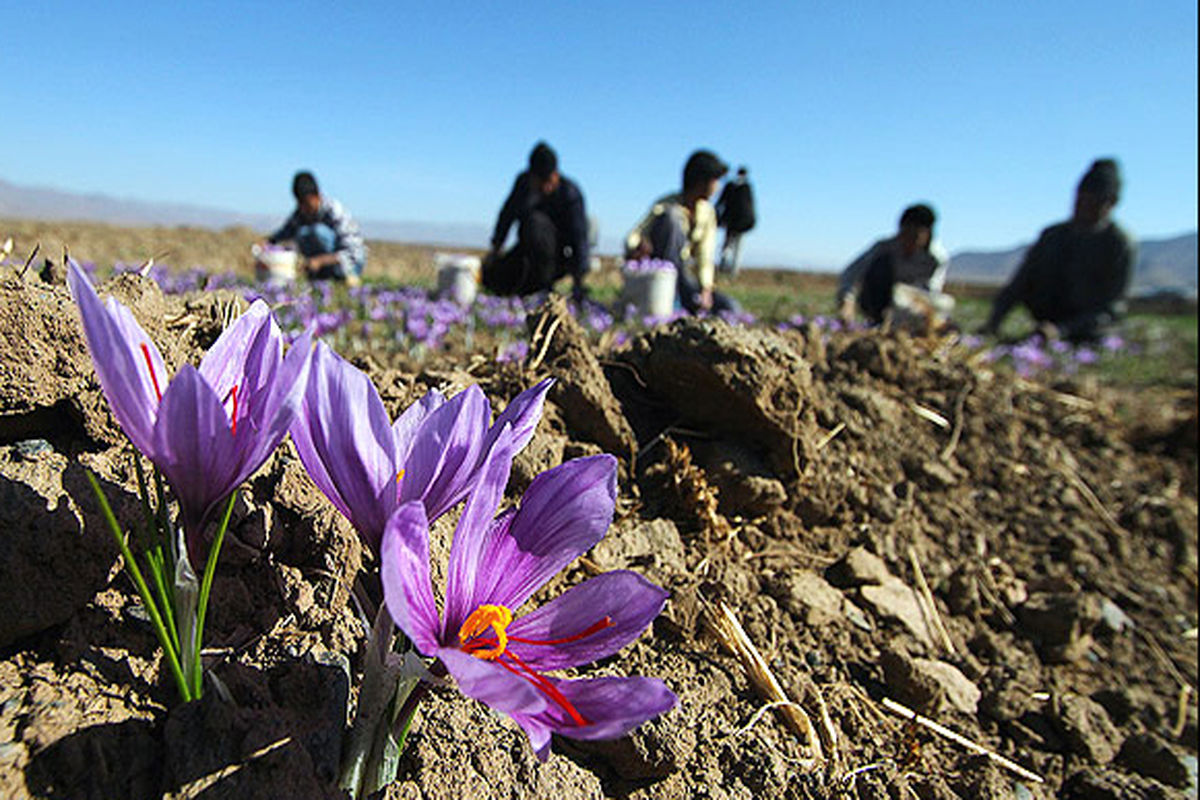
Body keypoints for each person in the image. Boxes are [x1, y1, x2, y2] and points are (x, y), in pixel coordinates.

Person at [982, 158, 1136, 342]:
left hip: (1088, 330)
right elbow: (1019, 284)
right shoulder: (1052, 236)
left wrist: (1062, 330)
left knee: (1102, 335)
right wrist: (993, 323)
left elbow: (1111, 308)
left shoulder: (1118, 243)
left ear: (1112, 203)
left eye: (1093, 203)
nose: (1083, 208)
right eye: (1080, 200)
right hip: (1047, 321)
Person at [625, 149, 741, 315]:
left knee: (730, 307)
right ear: (701, 181)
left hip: (683, 278)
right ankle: (669, 306)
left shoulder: (707, 213)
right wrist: (637, 246)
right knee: (672, 218)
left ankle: (680, 306)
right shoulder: (667, 206)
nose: (718, 187)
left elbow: (705, 255)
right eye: (715, 180)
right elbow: (635, 235)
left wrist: (706, 288)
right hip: (659, 276)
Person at [483, 142, 589, 300]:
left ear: (556, 174)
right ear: (531, 175)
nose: (545, 187)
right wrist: (495, 250)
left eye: (549, 180)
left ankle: (543, 287)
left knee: (535, 224)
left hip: (557, 257)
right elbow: (507, 215)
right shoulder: (524, 184)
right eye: (540, 180)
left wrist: (578, 282)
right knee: (492, 278)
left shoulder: (570, 194)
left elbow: (579, 238)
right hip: (527, 252)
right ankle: (527, 287)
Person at [836, 203, 950, 325]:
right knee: (880, 265)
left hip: (913, 304)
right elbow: (851, 273)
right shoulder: (883, 248)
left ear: (928, 234)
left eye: (915, 236)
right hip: (881, 300)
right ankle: (876, 320)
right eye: (905, 233)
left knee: (944, 304)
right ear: (900, 229)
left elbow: (931, 291)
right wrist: (847, 303)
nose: (908, 242)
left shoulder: (936, 258)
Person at [266, 171, 366, 282]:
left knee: (316, 232)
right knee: (302, 233)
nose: (305, 209)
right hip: (325, 263)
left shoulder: (335, 211)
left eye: (307, 204)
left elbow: (351, 252)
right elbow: (286, 231)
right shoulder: (301, 212)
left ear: (317, 195)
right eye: (301, 204)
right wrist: (268, 242)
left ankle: (341, 278)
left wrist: (320, 261)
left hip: (350, 264)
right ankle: (321, 277)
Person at [714, 165, 756, 275]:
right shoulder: (746, 188)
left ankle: (725, 267)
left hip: (732, 222)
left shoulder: (731, 186)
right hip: (740, 223)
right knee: (736, 247)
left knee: (727, 246)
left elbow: (721, 203)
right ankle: (732, 269)